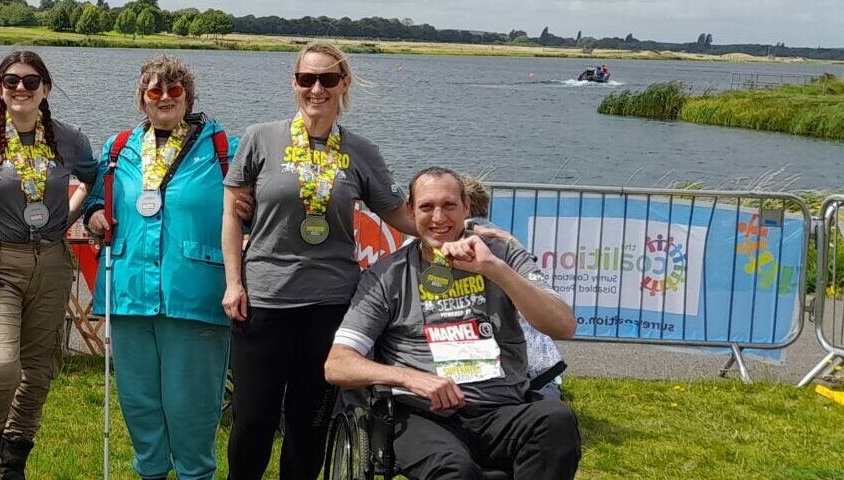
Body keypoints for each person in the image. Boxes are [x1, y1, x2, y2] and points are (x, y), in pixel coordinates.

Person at [218, 40, 415, 480]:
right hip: (263, 303)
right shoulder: (259, 138)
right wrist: (234, 282)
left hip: (330, 309)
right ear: (294, 83)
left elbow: (399, 215)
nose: (317, 89)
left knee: (310, 427)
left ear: (343, 84)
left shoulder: (362, 151)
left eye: (328, 79)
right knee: (252, 424)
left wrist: (453, 228)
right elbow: (232, 214)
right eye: (307, 79)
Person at [325, 167, 581, 480]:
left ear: (466, 208)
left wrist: (494, 269)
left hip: (502, 407)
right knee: (456, 472)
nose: (438, 218)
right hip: (425, 415)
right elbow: (337, 365)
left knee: (556, 420)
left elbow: (563, 326)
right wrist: (409, 378)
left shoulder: (502, 256)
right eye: (426, 207)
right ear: (410, 210)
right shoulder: (386, 276)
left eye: (448, 206)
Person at [0, 50, 96, 480]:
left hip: (51, 261)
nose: (21, 89)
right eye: (12, 81)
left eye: (31, 82)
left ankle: (14, 463)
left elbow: (93, 178)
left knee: (39, 369)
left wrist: (68, 214)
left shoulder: (69, 139)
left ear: (45, 89)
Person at [84, 54, 236, 480]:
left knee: (192, 407)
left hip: (196, 294)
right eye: (155, 90)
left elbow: (259, 201)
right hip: (130, 292)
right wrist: (94, 215)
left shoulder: (225, 148)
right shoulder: (118, 148)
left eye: (174, 90)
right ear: (142, 99)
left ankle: (194, 475)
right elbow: (98, 200)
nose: (165, 97)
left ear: (188, 96)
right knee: (140, 405)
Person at [458, 175, 568, 398]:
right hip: (540, 364)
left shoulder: (492, 241)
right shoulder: (503, 238)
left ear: (465, 206)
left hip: (510, 360)